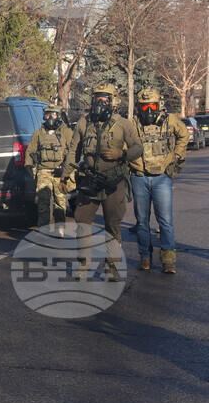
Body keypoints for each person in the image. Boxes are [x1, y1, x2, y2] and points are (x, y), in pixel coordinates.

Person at [66, 84, 142, 281]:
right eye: (97, 98)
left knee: (113, 224)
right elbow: (73, 152)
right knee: (82, 221)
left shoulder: (124, 124)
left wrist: (122, 153)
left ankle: (112, 266)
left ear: (113, 101)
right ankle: (83, 264)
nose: (101, 102)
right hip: (89, 181)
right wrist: (64, 177)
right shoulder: (84, 123)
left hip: (113, 182)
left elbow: (138, 148)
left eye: (105, 98)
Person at [130, 88, 188, 274]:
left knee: (166, 221)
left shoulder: (169, 121)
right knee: (141, 222)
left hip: (162, 178)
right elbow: (123, 144)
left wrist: (177, 154)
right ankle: (145, 257)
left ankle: (168, 260)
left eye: (152, 106)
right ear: (139, 107)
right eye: (144, 106)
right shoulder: (133, 123)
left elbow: (184, 135)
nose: (148, 110)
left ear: (159, 105)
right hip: (139, 177)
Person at [26, 105, 73, 234]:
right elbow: (30, 150)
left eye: (53, 114)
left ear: (58, 116)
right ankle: (44, 229)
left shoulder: (66, 132)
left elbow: (73, 151)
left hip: (60, 172)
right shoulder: (38, 133)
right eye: (47, 115)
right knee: (43, 202)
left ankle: (60, 228)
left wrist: (65, 168)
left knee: (60, 201)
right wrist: (28, 165)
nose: (50, 117)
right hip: (43, 171)